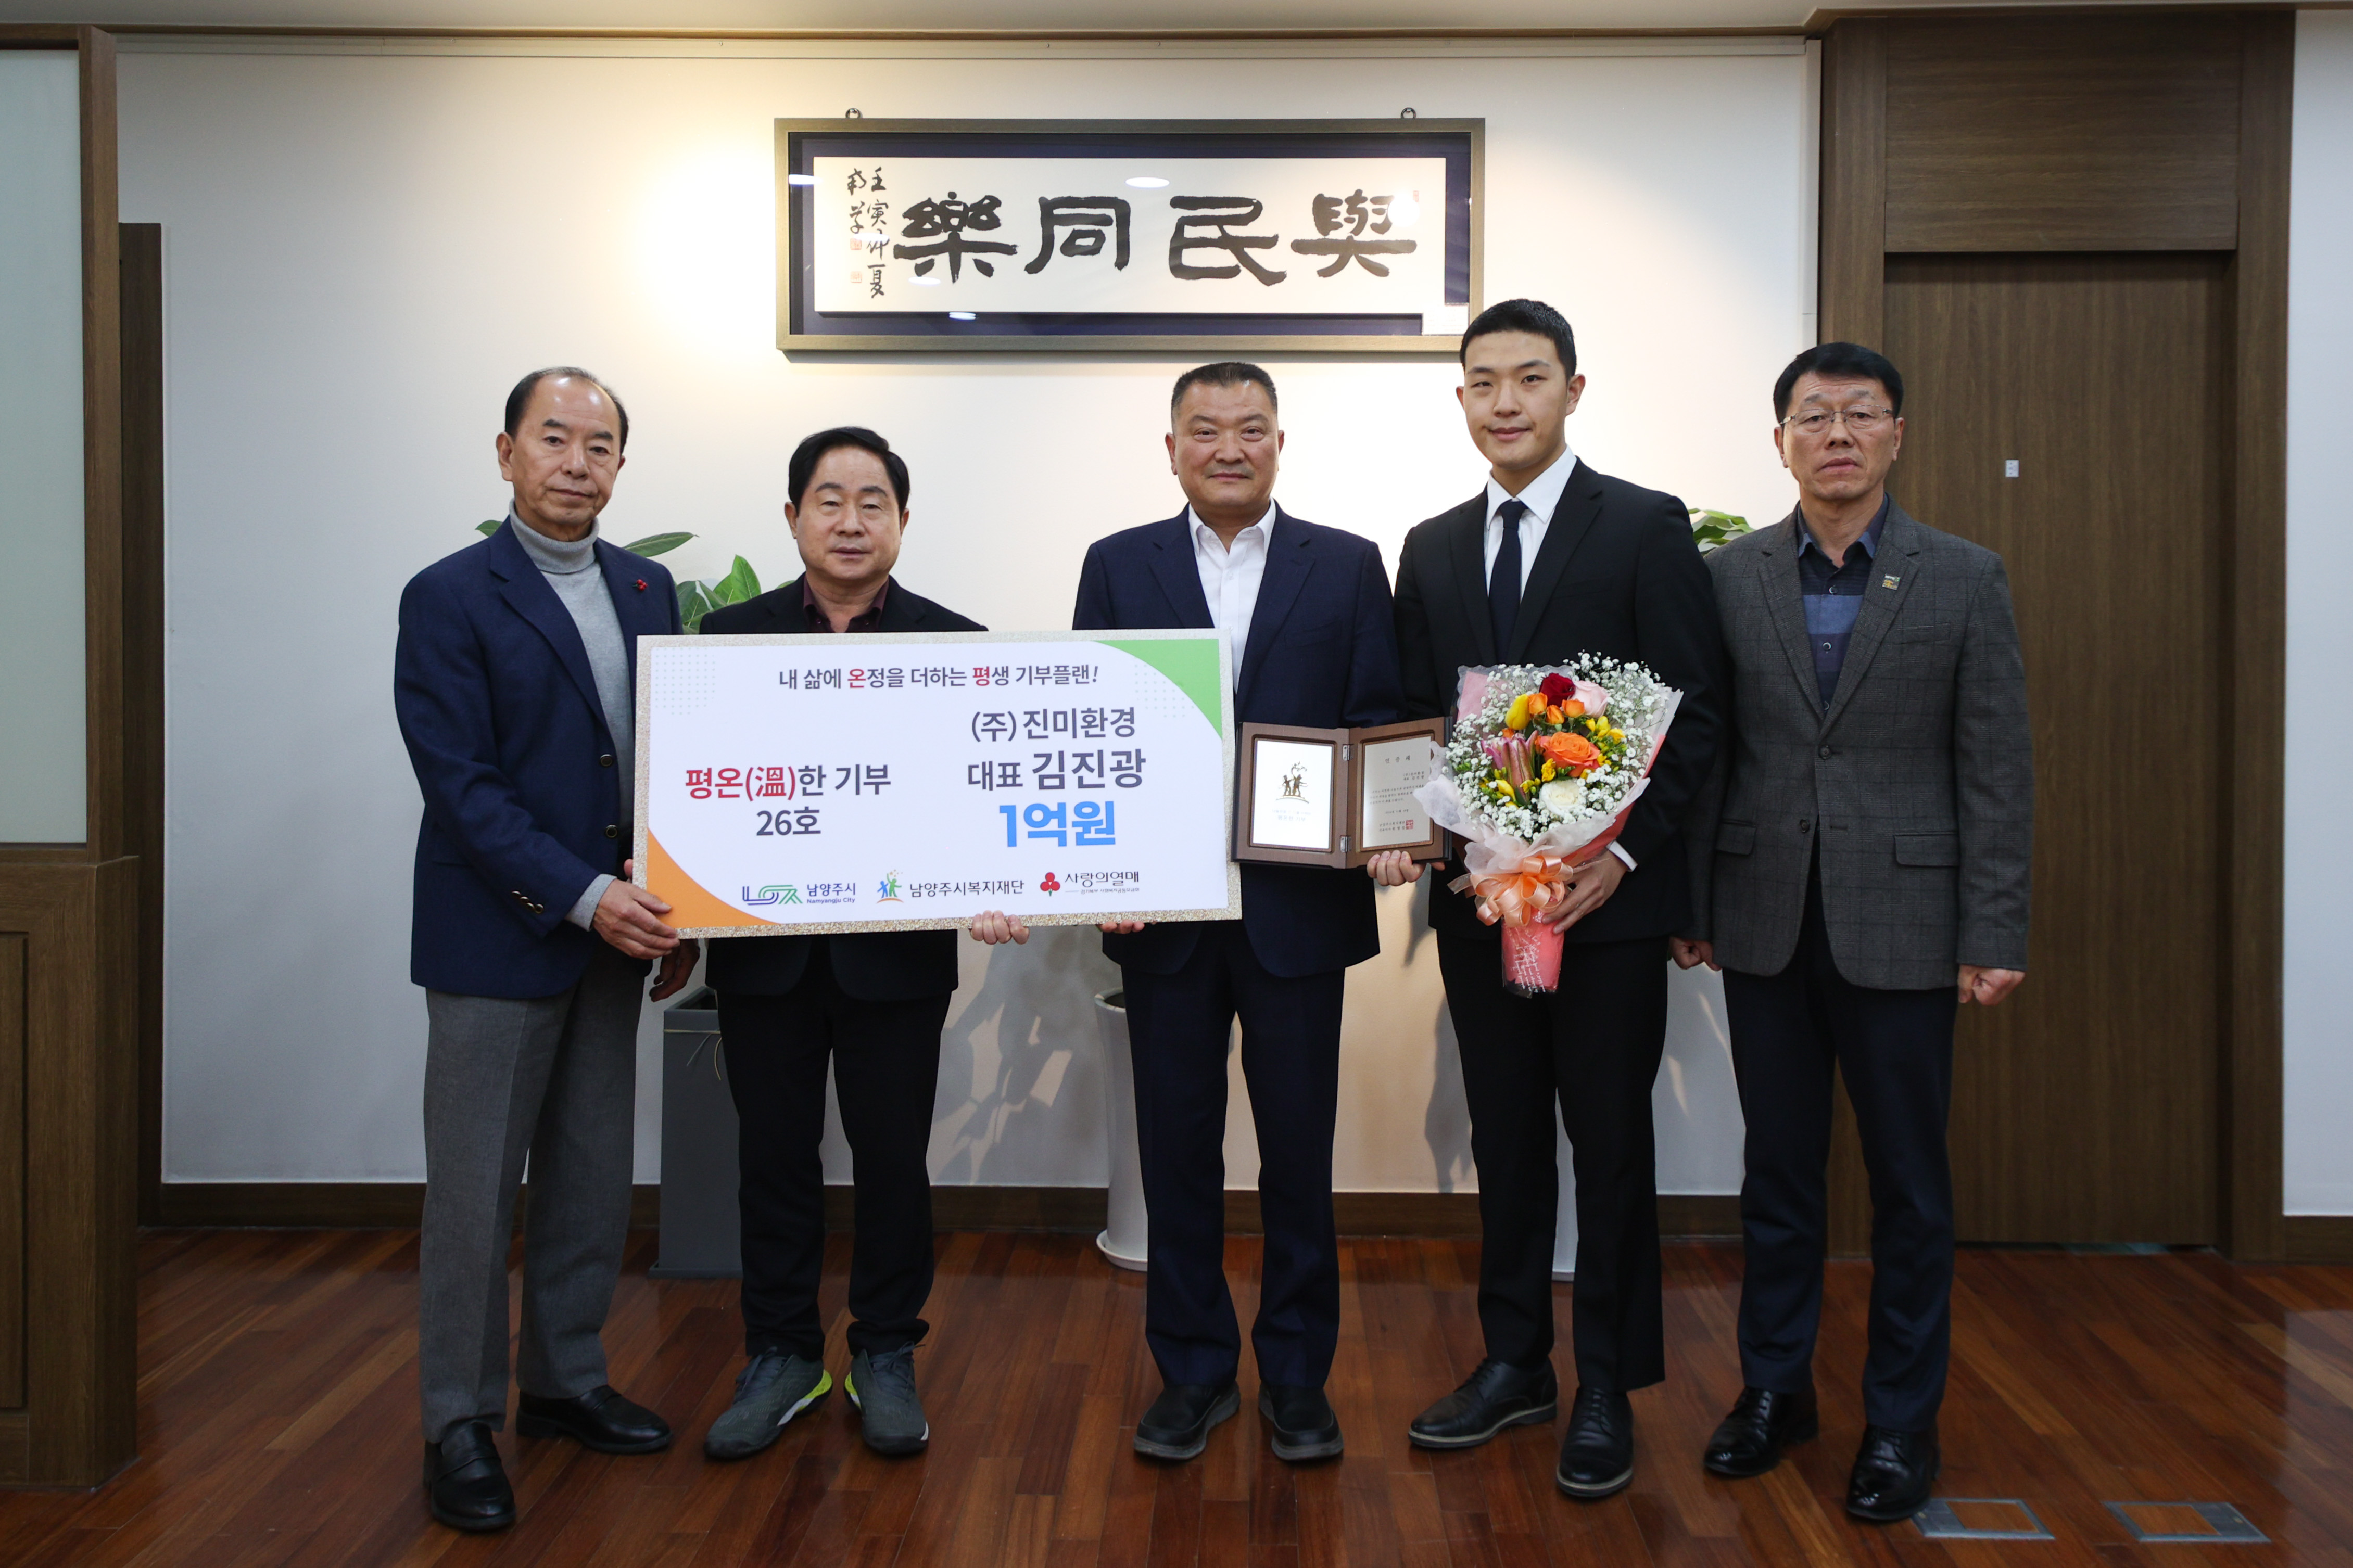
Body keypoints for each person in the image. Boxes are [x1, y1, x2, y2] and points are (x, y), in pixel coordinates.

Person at [1673, 342, 2030, 1523]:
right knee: (1777, 1174)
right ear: (1779, 439)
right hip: (1763, 917)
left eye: (1859, 414)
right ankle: (1775, 1390)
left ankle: (1899, 1419)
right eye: (1813, 415)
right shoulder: (1728, 577)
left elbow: (1995, 767)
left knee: (1909, 1185)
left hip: (1908, 923)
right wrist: (1690, 904)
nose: (1836, 434)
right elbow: (1708, 750)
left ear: (1895, 434)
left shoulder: (1962, 577)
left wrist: (1994, 926)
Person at [1390, 300, 1724, 1498]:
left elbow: (1696, 709)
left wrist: (1620, 861)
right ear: (1462, 400)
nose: (1506, 402)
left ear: (1572, 390)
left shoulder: (1641, 524)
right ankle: (1515, 1360)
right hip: (1485, 906)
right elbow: (1415, 719)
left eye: (1529, 378)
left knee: (1612, 1139)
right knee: (1507, 1135)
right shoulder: (1431, 545)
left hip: (1601, 909)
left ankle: (1609, 1386)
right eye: (1483, 382)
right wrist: (1411, 831)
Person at [1071, 362, 1415, 1465]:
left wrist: (1389, 826)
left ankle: (1299, 1378)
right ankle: (1192, 1371)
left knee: (1298, 1156)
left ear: (1280, 443)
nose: (1229, 447)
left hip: (1296, 913)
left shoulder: (1346, 563)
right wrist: (1107, 876)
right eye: (1206, 429)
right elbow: (1093, 728)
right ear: (1170, 446)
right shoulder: (1118, 563)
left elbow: (1378, 717)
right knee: (1174, 1153)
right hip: (1166, 917)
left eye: (1250, 429)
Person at [395, 367, 698, 1533]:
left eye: (599, 445)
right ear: (507, 451)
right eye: (554, 438)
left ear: (621, 464)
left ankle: (566, 1380)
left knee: (589, 1173)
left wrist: (676, 906)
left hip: (621, 937)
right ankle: (458, 1419)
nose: (577, 463)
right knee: (476, 1192)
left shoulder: (646, 587)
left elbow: (675, 760)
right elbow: (462, 786)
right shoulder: (449, 595)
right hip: (499, 935)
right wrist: (583, 897)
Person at [695, 427, 1020, 1464]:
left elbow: (978, 794)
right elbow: (694, 790)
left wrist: (998, 880)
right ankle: (782, 1353)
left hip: (896, 957)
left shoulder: (954, 643)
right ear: (792, 516)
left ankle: (885, 1348)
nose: (849, 520)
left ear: (903, 521)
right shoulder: (723, 640)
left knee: (892, 1161)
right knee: (772, 1158)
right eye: (828, 500)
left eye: (871, 501)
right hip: (766, 954)